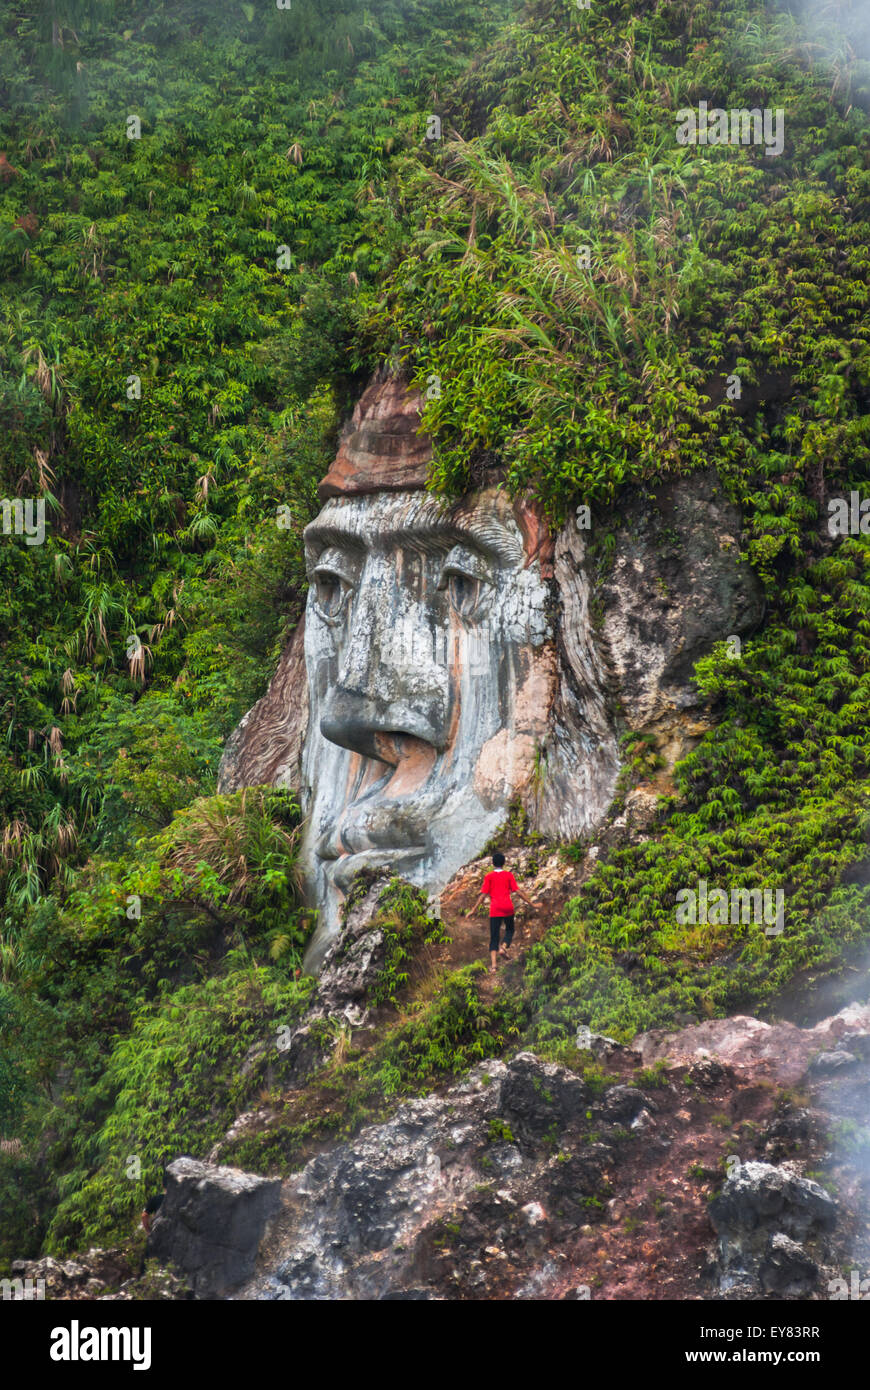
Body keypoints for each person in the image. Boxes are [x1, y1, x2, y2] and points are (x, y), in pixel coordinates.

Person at [479, 851, 537, 973]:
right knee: (510, 930)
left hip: (495, 909)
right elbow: (518, 892)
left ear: (493, 863)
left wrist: (473, 910)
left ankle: (494, 966)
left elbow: (483, 895)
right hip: (507, 907)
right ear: (504, 863)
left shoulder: (489, 876)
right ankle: (504, 947)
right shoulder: (508, 875)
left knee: (494, 937)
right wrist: (532, 903)